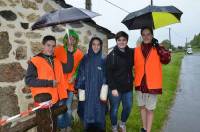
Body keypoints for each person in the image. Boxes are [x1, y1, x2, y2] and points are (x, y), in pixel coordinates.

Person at [25, 35, 67, 132]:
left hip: (55, 99)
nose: (51, 48)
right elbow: (29, 80)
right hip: (42, 101)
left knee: (54, 126)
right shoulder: (34, 61)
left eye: (53, 46)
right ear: (43, 45)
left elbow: (65, 71)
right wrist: (49, 83)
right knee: (44, 127)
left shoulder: (56, 61)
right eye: (48, 45)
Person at [134, 27, 171, 132]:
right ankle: (144, 128)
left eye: (148, 34)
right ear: (141, 36)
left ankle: (148, 130)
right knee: (142, 107)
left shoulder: (158, 48)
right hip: (140, 83)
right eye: (144, 34)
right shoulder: (136, 49)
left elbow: (166, 60)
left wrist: (158, 47)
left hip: (152, 84)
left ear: (152, 35)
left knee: (150, 109)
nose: (146, 36)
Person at [54, 29, 84, 131]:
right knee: (60, 109)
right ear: (66, 39)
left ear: (76, 40)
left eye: (73, 38)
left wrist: (74, 77)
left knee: (68, 109)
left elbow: (80, 68)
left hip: (70, 86)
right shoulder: (58, 50)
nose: (71, 40)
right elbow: (47, 56)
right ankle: (62, 128)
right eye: (69, 38)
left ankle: (68, 125)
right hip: (60, 85)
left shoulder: (79, 54)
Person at [75, 37, 107, 132]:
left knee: (99, 114)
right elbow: (80, 74)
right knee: (87, 113)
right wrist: (79, 88)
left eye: (98, 44)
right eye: (94, 44)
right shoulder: (85, 59)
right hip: (87, 92)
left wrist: (104, 90)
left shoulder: (103, 60)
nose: (96, 47)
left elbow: (106, 76)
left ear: (100, 46)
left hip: (99, 92)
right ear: (90, 45)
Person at [106, 31, 134, 132]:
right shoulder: (111, 55)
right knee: (114, 110)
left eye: (124, 40)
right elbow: (108, 73)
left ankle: (122, 124)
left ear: (127, 41)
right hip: (115, 89)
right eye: (119, 40)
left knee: (128, 107)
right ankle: (114, 126)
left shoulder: (131, 53)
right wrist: (113, 88)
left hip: (128, 88)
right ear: (116, 41)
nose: (121, 42)